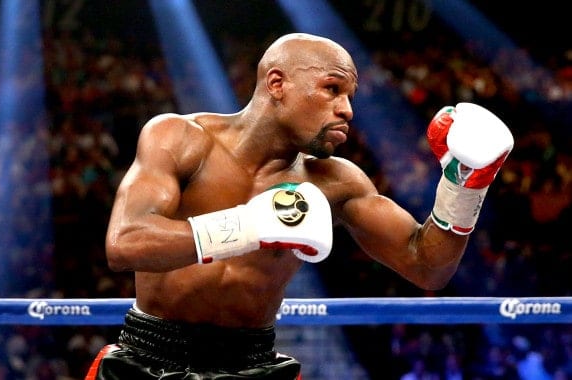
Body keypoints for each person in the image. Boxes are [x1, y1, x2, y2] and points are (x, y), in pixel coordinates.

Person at [86, 33, 513, 379]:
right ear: (277, 84)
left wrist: (463, 188)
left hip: (252, 364)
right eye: (332, 89)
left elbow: (427, 266)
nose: (346, 109)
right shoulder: (180, 138)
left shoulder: (335, 181)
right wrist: (251, 226)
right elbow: (125, 243)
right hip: (147, 358)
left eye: (349, 95)